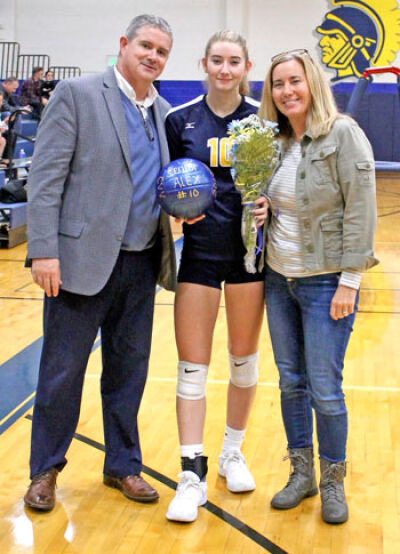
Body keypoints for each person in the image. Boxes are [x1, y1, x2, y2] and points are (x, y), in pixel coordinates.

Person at [24, 14, 176, 512]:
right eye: (146, 46)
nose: (152, 57)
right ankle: (45, 470)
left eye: (162, 52)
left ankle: (123, 467)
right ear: (123, 45)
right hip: (78, 262)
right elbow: (45, 179)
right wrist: (44, 250)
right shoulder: (79, 94)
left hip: (141, 263)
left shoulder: (163, 111)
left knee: (129, 372)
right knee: (62, 373)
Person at [258, 49, 378, 524]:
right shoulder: (275, 142)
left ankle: (332, 482)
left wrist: (349, 281)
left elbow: (361, 210)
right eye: (277, 84)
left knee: (325, 388)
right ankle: (301, 472)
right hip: (277, 279)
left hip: (326, 281)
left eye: (294, 81)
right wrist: (264, 209)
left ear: (312, 84)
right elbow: (280, 203)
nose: (286, 91)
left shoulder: (343, 134)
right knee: (292, 383)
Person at [165, 30, 268, 523]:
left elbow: (279, 184)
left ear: (247, 66)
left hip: (249, 257)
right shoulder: (178, 120)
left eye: (234, 62)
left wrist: (271, 204)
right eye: (217, 61)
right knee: (192, 367)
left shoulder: (263, 121)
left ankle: (231, 452)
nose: (225, 70)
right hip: (200, 258)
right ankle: (191, 474)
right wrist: (177, 214)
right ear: (204, 63)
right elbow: (162, 185)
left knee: (244, 362)